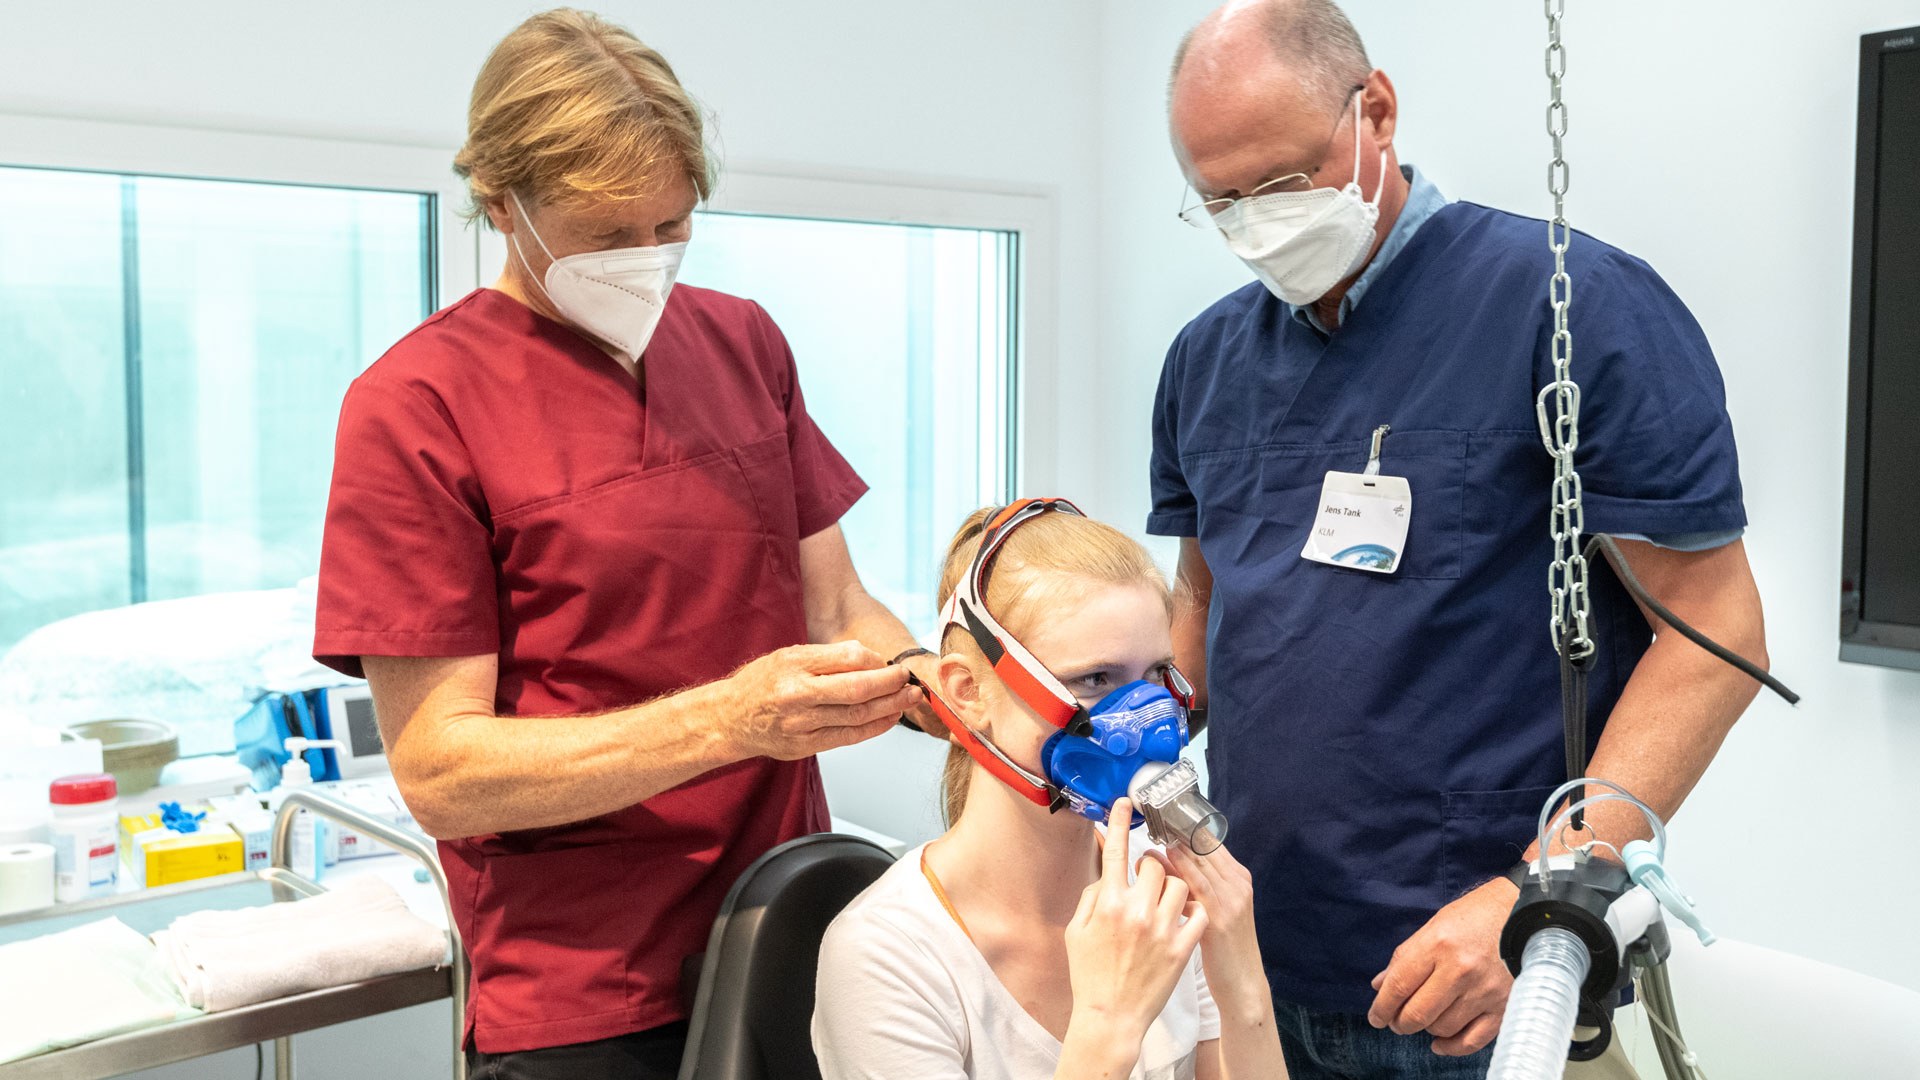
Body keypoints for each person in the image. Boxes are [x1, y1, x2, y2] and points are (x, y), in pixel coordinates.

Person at [311, 10, 935, 1077]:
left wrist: (964, 694)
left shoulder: (740, 340)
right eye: (609, 235)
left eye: (672, 227)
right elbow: (442, 771)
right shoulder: (416, 407)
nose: (649, 261)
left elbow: (840, 614)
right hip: (587, 990)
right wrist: (733, 719)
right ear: (503, 205)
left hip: (797, 918)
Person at [1151, 2, 1768, 1077]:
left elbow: (1718, 633)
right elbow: (1201, 613)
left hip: (1486, 981)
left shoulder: (1571, 305)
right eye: (1221, 203)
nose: (1258, 222)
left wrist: (1537, 897)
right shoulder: (1205, 363)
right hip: (1250, 965)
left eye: (1282, 185)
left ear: (1375, 111)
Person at [813, 501, 1289, 1079]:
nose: (1147, 717)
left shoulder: (1161, 894)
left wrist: (1244, 984)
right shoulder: (885, 957)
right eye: (1095, 679)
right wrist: (1107, 1025)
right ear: (967, 693)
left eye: (1156, 674)